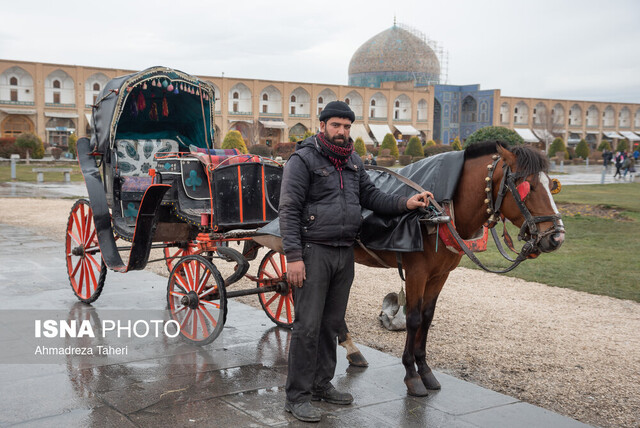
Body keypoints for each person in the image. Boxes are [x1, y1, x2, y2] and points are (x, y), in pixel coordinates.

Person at [279, 100, 432, 423]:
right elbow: (289, 209)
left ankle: (322, 384)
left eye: (347, 127)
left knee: (330, 325)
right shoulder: (303, 159)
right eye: (336, 125)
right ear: (322, 126)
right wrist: (293, 257)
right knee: (307, 327)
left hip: (343, 252)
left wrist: (407, 202)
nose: (342, 132)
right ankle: (297, 396)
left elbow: (373, 198)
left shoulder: (353, 163)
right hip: (313, 251)